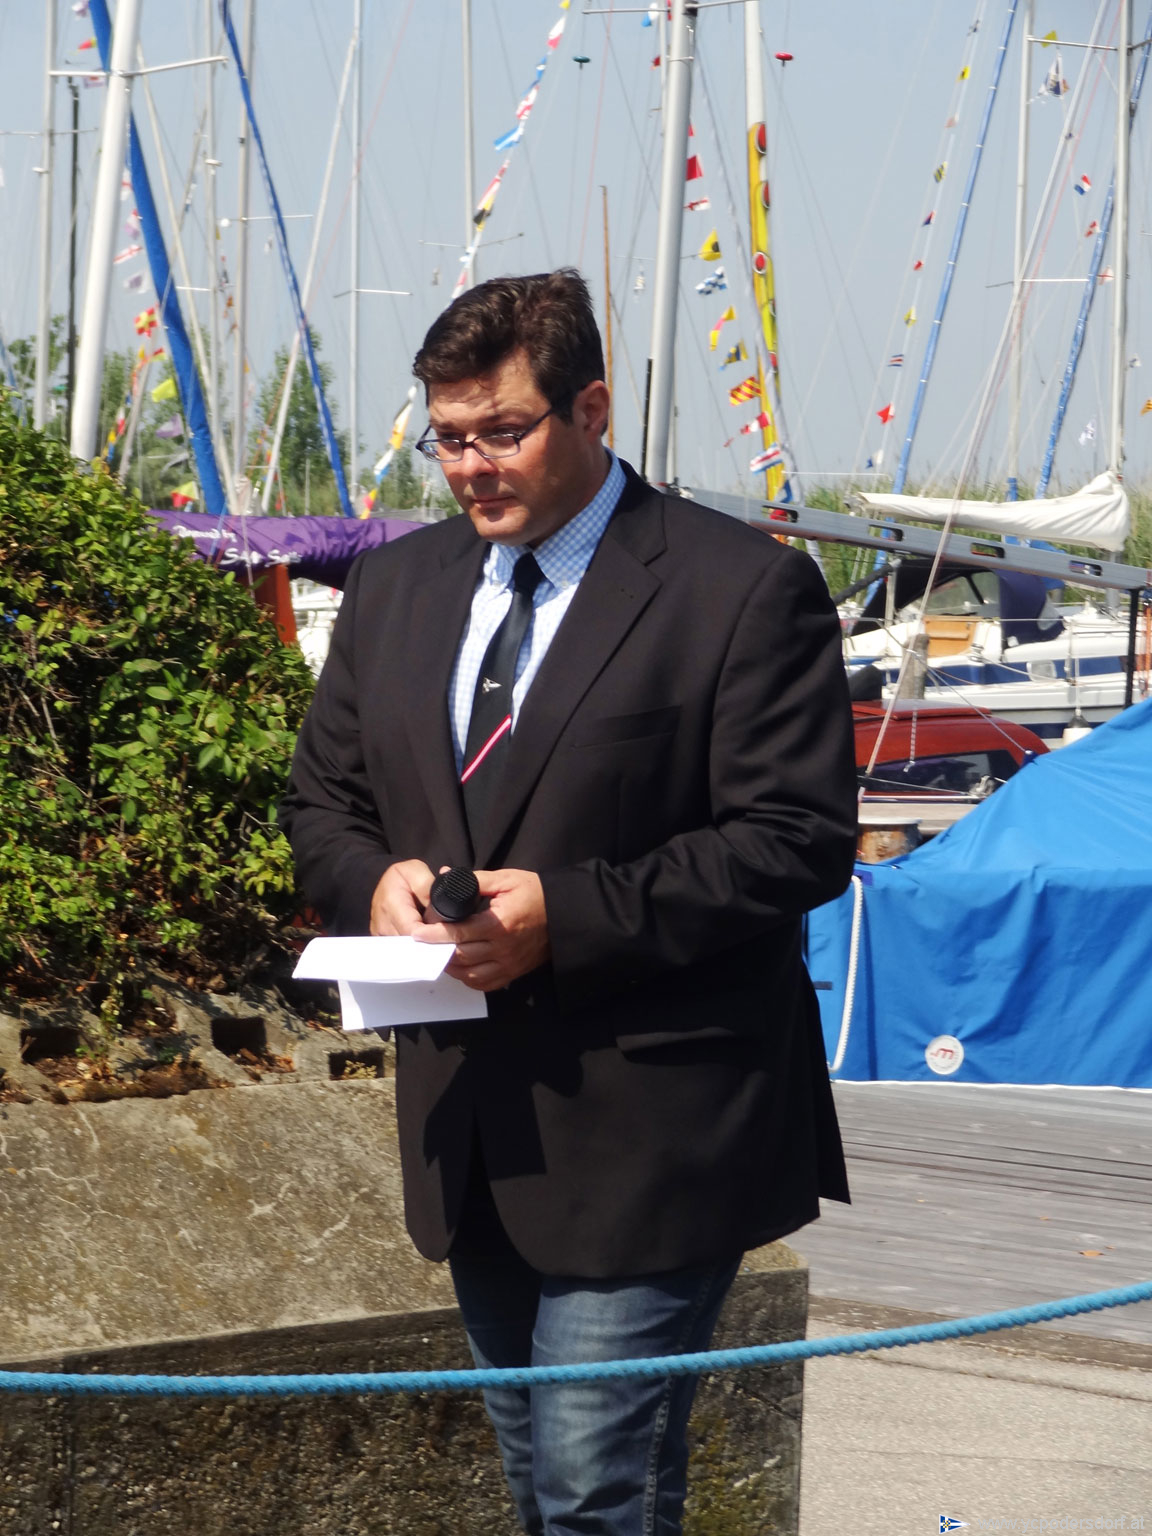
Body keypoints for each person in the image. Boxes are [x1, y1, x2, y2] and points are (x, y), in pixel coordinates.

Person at [279, 268, 858, 1536]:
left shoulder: (739, 589)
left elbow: (797, 840)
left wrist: (568, 917)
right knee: (543, 1481)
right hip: (471, 1128)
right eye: (447, 439)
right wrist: (373, 883)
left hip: (661, 1129)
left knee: (596, 1484)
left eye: (501, 432)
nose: (469, 467)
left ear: (591, 409)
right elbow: (322, 803)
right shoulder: (395, 589)